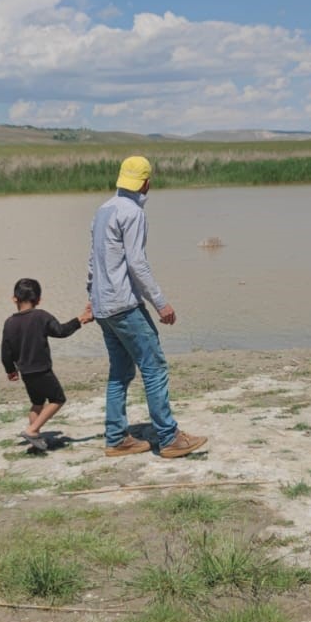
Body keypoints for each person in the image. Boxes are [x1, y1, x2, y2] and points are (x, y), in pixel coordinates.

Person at [87, 156, 208, 459]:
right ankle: (168, 438)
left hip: (103, 306)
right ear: (146, 182)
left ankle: (116, 438)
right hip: (123, 305)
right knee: (154, 367)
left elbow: (93, 261)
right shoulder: (133, 213)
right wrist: (160, 303)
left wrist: (92, 296)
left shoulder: (102, 211)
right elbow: (136, 264)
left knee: (120, 372)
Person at [1, 278, 93, 451]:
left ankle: (36, 442)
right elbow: (61, 331)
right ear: (39, 300)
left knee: (37, 404)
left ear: (14, 298)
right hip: (42, 370)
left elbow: (6, 351)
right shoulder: (41, 316)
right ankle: (32, 430)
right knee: (58, 399)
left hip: (26, 372)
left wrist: (10, 370)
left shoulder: (9, 322)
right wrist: (80, 319)